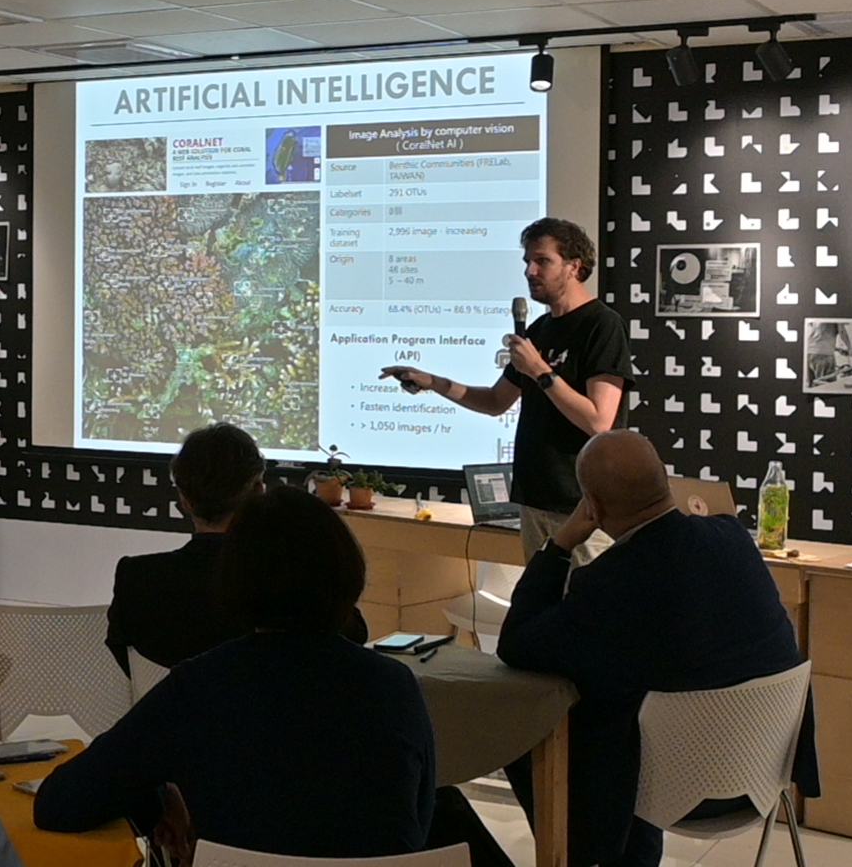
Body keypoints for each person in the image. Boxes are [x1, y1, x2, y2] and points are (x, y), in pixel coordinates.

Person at [36, 487, 436, 858]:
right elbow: (418, 823)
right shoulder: (394, 686)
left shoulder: (200, 687)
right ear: (347, 574)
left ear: (233, 581)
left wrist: (158, 794)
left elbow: (60, 804)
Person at [496, 430, 816, 867]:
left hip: (666, 792)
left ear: (593, 504)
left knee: (532, 724)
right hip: (763, 775)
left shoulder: (612, 582)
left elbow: (517, 644)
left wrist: (561, 543)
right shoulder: (733, 539)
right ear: (666, 481)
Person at [381, 217, 633, 557]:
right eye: (527, 262)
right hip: (534, 500)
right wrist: (432, 382)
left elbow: (599, 422)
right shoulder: (541, 329)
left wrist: (541, 372)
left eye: (542, 261)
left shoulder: (601, 325)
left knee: (586, 608)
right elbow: (495, 401)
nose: (530, 271)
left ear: (575, 266)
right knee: (538, 604)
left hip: (583, 506)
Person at [105, 423, 367, 673]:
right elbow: (352, 638)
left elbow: (124, 658)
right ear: (258, 490)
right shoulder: (292, 579)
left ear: (184, 500)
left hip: (175, 716)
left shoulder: (138, 579)